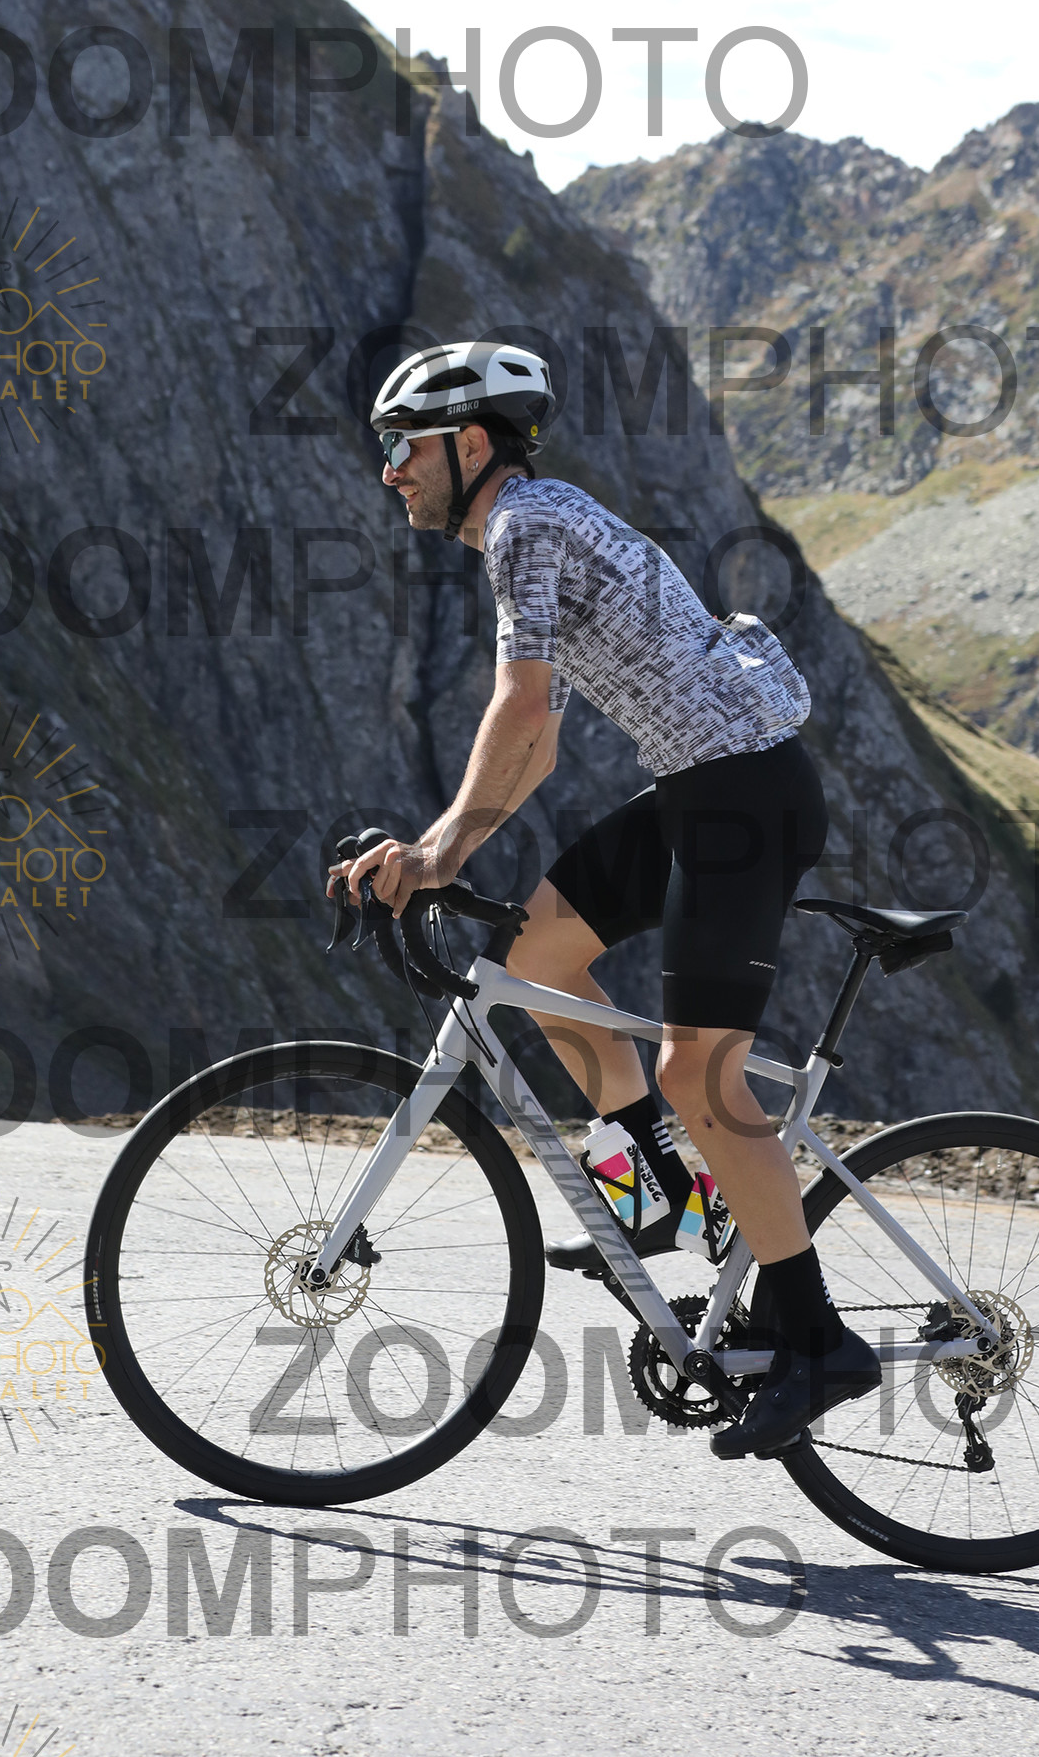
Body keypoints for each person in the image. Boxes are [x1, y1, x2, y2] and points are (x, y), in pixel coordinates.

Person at [329, 339, 881, 1459]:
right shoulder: (536, 523)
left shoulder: (525, 526)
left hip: (742, 798)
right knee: (533, 960)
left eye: (403, 446)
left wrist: (436, 851)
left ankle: (818, 1339)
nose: (390, 469)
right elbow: (537, 746)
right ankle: (653, 1198)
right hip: (700, 786)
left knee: (698, 1072)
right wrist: (445, 847)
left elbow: (520, 707)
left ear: (468, 444)